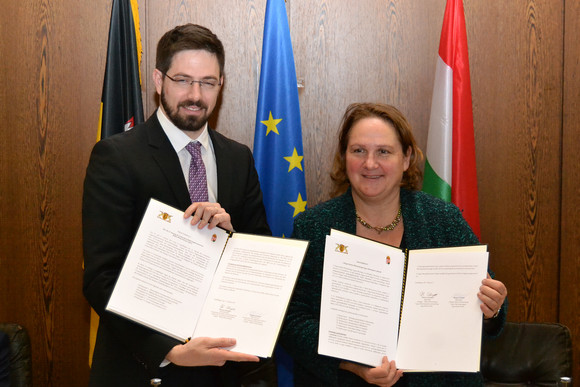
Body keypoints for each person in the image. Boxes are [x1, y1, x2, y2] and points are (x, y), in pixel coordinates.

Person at [83, 24, 271, 386]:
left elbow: (259, 261)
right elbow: (100, 278)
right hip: (145, 369)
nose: (195, 95)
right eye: (183, 80)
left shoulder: (238, 158)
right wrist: (168, 350)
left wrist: (232, 237)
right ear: (158, 80)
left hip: (222, 371)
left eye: (208, 82)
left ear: (221, 84)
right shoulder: (116, 157)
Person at [280, 102, 508, 387]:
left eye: (384, 152)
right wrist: (353, 364)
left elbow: (488, 309)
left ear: (406, 158)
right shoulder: (313, 226)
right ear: (344, 157)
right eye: (358, 151)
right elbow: (292, 321)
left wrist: (493, 305)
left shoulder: (443, 219)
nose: (370, 164)